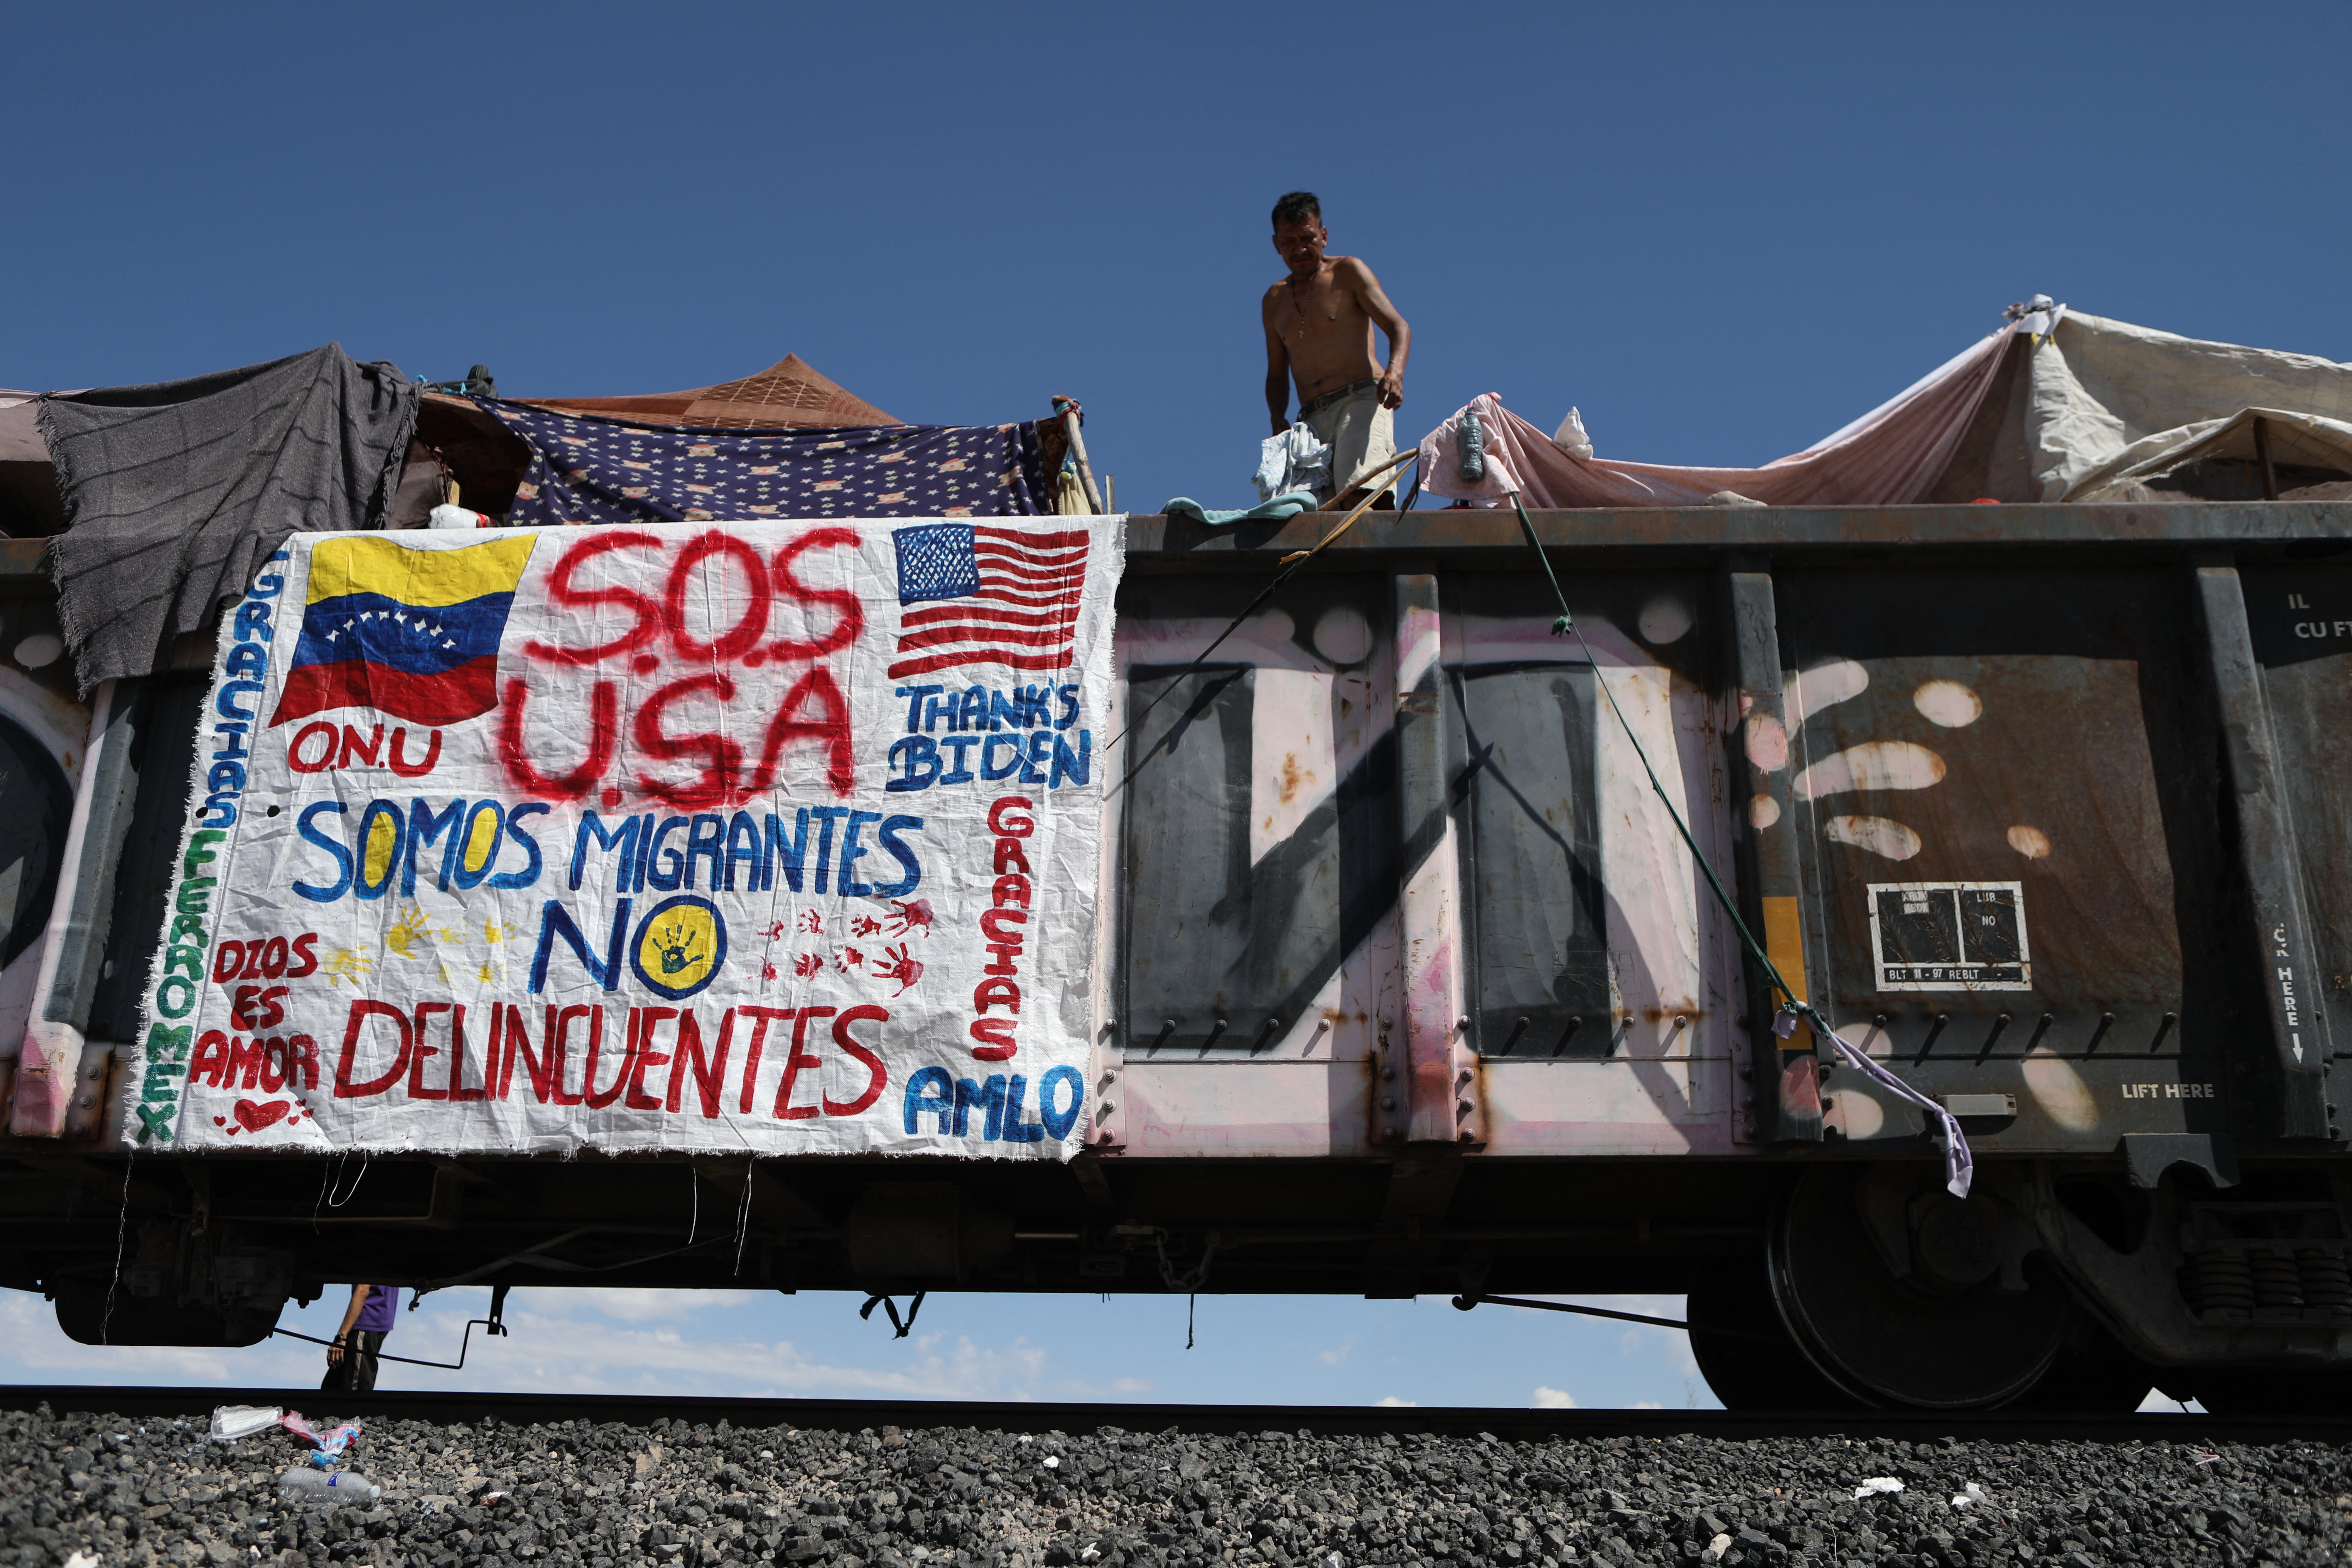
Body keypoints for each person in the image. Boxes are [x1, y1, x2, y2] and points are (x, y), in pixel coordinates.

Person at [1261, 191, 1413, 509]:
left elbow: (1399, 327)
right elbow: (1277, 373)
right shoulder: (1274, 301)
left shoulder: (1348, 272)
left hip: (1360, 401)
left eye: (1308, 238)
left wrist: (1395, 375)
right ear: (1276, 244)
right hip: (1311, 420)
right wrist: (1277, 417)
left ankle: (1379, 554)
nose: (1299, 249)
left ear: (1324, 236)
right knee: (1313, 513)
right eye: (1289, 242)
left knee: (1360, 497)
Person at [323, 1282, 397, 1391]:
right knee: (331, 1387)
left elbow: (363, 1289)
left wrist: (342, 1337)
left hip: (365, 1324)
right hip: (375, 1324)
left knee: (355, 1391)